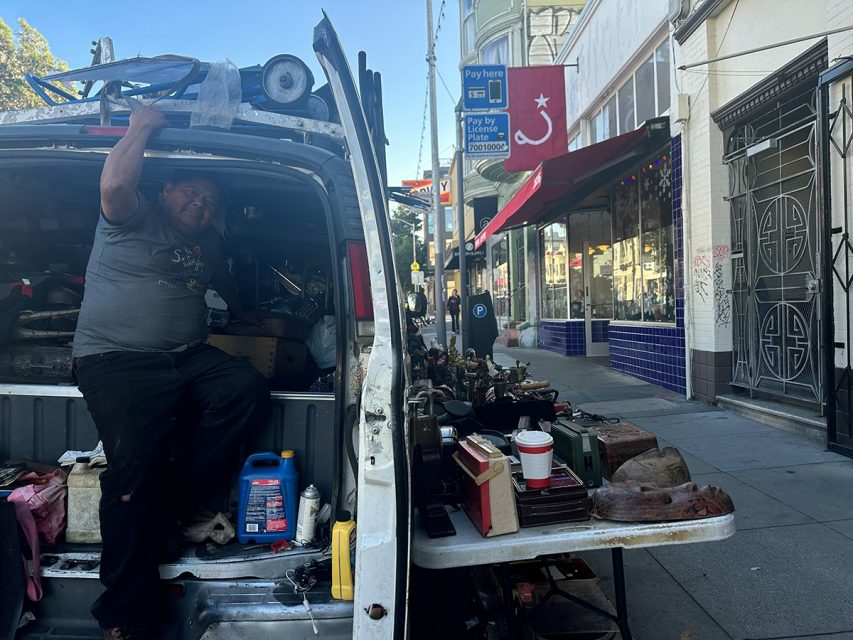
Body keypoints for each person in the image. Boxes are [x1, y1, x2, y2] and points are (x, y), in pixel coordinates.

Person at [72, 105, 272, 639]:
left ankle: (176, 504)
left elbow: (219, 272)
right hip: (115, 357)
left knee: (245, 387)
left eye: (209, 201)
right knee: (132, 472)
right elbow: (114, 183)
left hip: (184, 353)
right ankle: (123, 615)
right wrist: (140, 127)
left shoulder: (206, 239)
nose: (200, 204)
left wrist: (245, 311)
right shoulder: (133, 214)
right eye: (190, 192)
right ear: (165, 192)